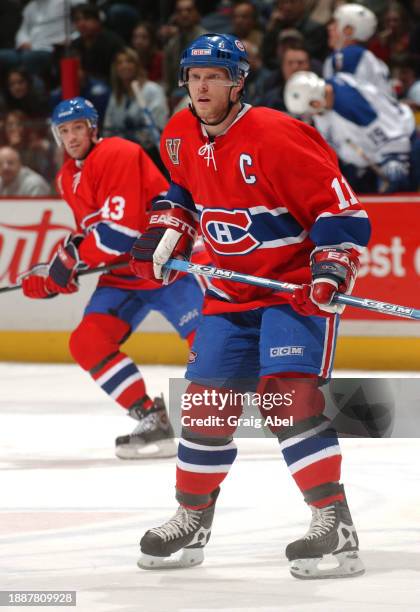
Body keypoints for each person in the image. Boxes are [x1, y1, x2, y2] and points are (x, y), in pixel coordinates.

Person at [129, 34, 371, 579]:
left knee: (289, 401)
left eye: (214, 76)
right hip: (229, 295)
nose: (202, 86)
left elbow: (343, 215)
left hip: (292, 293)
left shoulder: (278, 136)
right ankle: (193, 516)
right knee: (205, 407)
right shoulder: (179, 133)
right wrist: (166, 230)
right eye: (194, 76)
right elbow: (182, 194)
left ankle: (333, 520)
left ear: (238, 81)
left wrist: (329, 270)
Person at [19, 97, 205, 460]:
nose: (71, 137)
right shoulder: (66, 178)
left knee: (212, 348)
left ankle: (299, 404)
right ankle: (151, 417)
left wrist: (70, 259)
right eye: (64, 131)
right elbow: (91, 239)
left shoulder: (118, 153)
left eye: (77, 128)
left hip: (164, 266)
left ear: (93, 128)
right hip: (122, 277)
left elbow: (121, 232)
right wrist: (57, 278)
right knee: (87, 342)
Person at [284, 70, 415, 194]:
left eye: (310, 109)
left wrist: (394, 158)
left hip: (400, 146)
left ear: (316, 102)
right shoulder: (329, 90)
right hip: (367, 163)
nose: (312, 115)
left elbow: (389, 129)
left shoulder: (351, 104)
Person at [103, 47, 168, 173]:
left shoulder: (152, 90)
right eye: (120, 63)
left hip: (151, 156)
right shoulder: (115, 96)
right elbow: (108, 129)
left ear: (137, 65)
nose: (124, 66)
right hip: (121, 157)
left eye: (129, 61)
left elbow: (157, 129)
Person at [323, 3, 392, 97]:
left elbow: (344, 100)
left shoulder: (349, 55)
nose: (329, 27)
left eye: (335, 23)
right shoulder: (365, 56)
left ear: (348, 30)